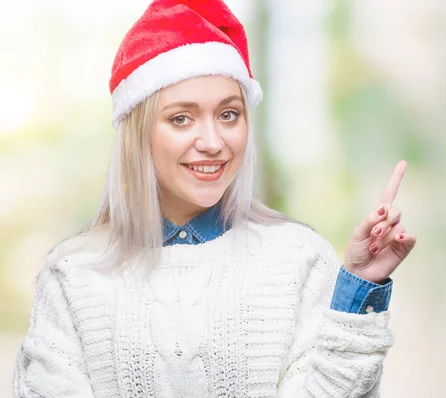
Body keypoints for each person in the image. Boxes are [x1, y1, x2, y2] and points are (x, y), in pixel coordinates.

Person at [12, 0, 417, 396]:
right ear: (138, 135)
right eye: (181, 118)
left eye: (228, 114)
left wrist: (359, 287)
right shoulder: (72, 274)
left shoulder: (300, 259)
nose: (212, 142)